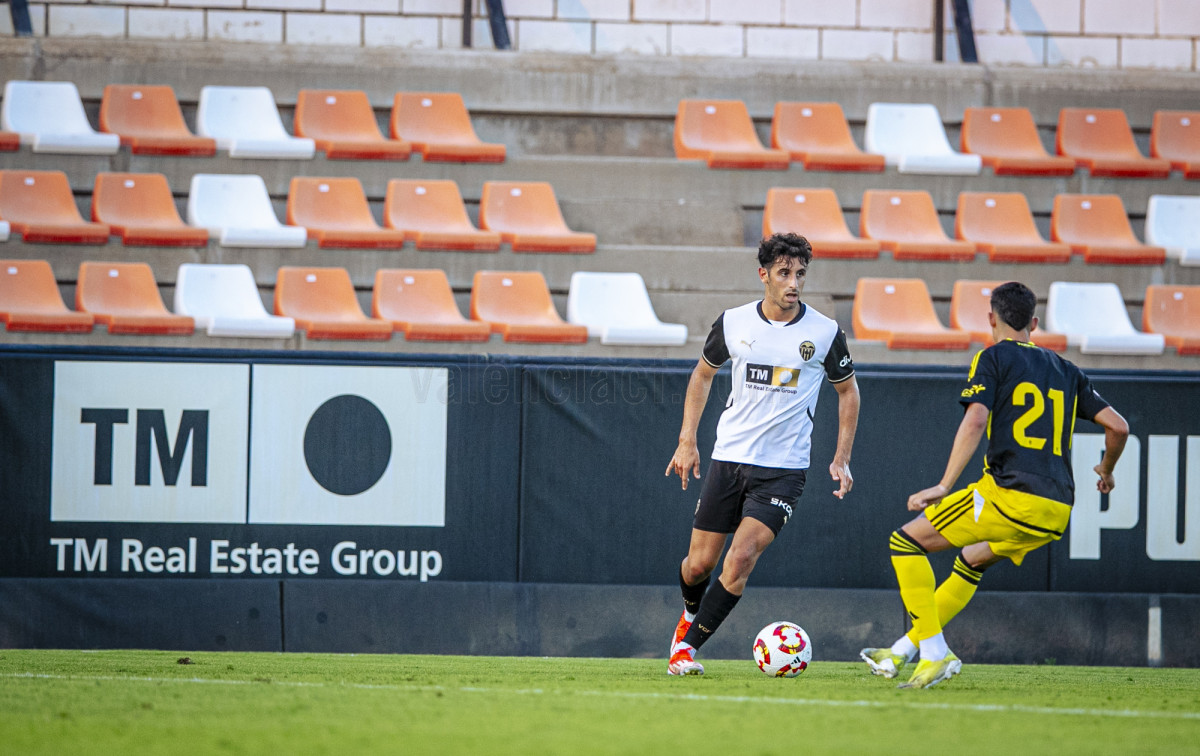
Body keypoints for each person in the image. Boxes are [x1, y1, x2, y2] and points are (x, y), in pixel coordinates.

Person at [860, 281, 1130, 689]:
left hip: (1009, 496)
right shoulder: (1067, 370)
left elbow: (975, 420)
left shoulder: (993, 357)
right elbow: (1119, 427)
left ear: (991, 318)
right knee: (972, 560)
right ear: (1034, 324)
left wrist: (944, 485)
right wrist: (1106, 470)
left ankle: (935, 653)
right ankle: (900, 651)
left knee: (905, 543)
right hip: (1056, 510)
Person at [664, 232, 860, 676]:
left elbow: (848, 392)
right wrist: (687, 440)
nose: (794, 283)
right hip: (729, 460)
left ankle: (685, 650)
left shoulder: (824, 333)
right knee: (698, 567)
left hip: (784, 471)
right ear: (764, 275)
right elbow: (702, 375)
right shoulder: (734, 322)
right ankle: (690, 612)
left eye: (800, 274)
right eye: (784, 273)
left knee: (741, 559)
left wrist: (841, 456)